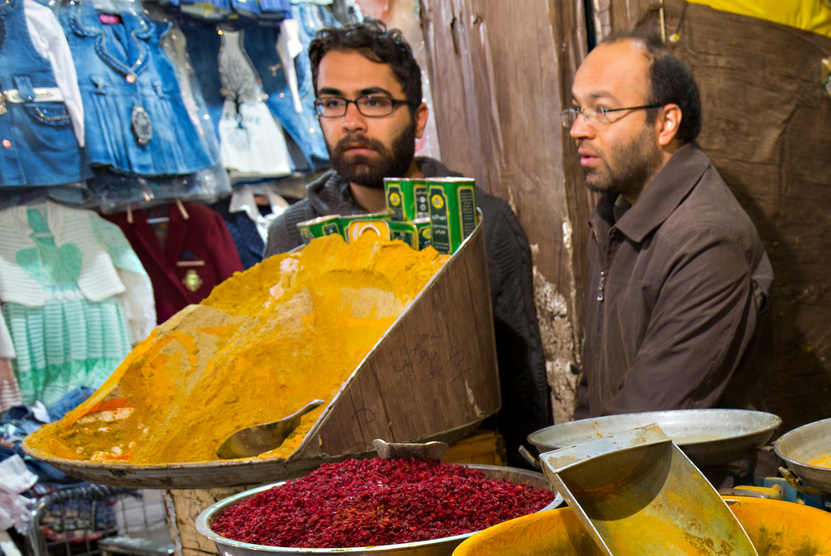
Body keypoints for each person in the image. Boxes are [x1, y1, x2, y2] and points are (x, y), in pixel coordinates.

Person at [265, 21, 550, 452]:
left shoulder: (482, 222)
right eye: (332, 102)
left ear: (418, 120)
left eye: (374, 101)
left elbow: (521, 384)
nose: (351, 122)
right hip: (336, 486)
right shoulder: (290, 236)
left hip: (467, 472)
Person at [569, 34, 772, 416]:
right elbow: (592, 386)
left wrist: (564, 464)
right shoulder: (613, 215)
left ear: (665, 123)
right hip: (612, 464)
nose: (578, 129)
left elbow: (648, 416)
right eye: (578, 109)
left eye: (603, 110)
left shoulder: (708, 240)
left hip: (690, 475)